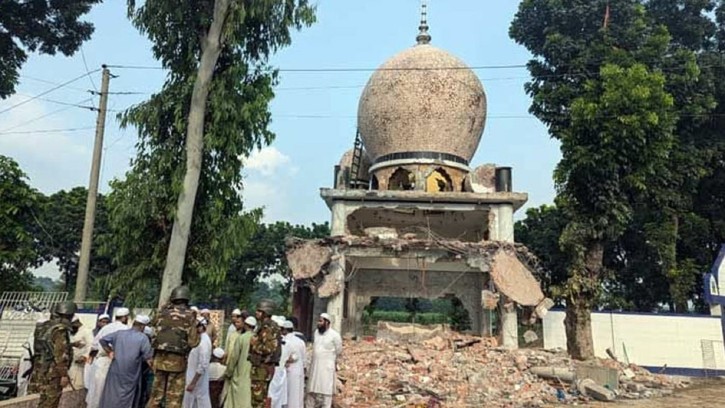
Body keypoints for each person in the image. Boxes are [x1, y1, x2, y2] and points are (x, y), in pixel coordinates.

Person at [148, 285, 200, 408]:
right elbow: (193, 342)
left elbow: (153, 332)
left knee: (155, 396)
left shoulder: (161, 313)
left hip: (159, 360)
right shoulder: (190, 315)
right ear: (187, 299)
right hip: (178, 362)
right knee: (174, 399)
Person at [99, 315, 154, 408]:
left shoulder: (119, 333)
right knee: (127, 398)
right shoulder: (143, 338)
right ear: (142, 326)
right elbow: (149, 358)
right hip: (131, 374)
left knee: (111, 394)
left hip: (115, 371)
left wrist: (110, 352)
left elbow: (102, 340)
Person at [28, 301, 75, 408]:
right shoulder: (59, 330)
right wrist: (63, 375)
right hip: (53, 373)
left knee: (39, 401)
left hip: (39, 370)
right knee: (50, 403)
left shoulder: (43, 327)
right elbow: (60, 355)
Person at [87, 307, 131, 408]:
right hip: (115, 362)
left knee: (97, 391)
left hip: (101, 362)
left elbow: (94, 345)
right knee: (112, 391)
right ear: (125, 318)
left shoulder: (106, 328)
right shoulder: (126, 329)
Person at [248, 300, 282, 408]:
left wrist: (254, 345)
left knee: (258, 400)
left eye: (259, 311)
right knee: (257, 399)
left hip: (262, 368)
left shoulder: (268, 327)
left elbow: (269, 348)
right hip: (260, 368)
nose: (256, 313)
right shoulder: (264, 326)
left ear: (265, 312)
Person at [306, 313, 342, 408]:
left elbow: (338, 350)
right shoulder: (316, 333)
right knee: (311, 390)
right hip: (315, 366)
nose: (318, 323)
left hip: (327, 367)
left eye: (321, 321)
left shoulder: (335, 335)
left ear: (327, 323)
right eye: (319, 321)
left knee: (326, 392)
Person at [222, 316, 255, 408]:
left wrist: (229, 372)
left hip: (239, 374)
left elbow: (234, 357)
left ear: (246, 325)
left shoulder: (241, 338)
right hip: (252, 373)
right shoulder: (257, 338)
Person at [183, 316, 212, 408]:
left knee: (199, 402)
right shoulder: (198, 339)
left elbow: (203, 365)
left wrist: (193, 383)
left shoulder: (204, 342)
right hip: (192, 378)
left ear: (201, 327)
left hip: (197, 381)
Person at [281, 320, 305, 408]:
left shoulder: (283, 340)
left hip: (286, 371)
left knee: (286, 395)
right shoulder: (300, 341)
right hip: (298, 371)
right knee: (297, 395)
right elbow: (303, 358)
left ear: (284, 330)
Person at [68, 315, 93, 390]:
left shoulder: (86, 331)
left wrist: (85, 356)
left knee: (78, 383)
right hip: (71, 361)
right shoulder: (71, 332)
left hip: (81, 363)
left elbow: (91, 345)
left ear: (76, 323)